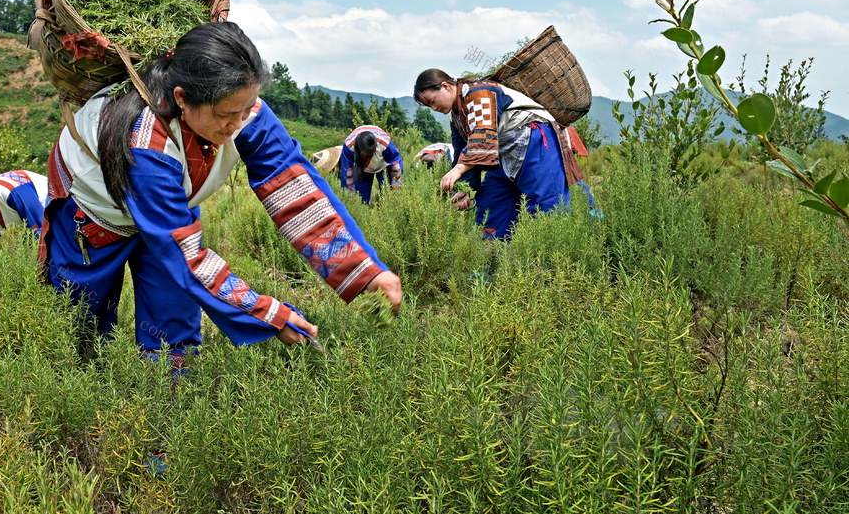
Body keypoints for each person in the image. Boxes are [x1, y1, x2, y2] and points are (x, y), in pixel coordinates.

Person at [39, 22, 402, 366]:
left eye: (246, 109)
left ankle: (167, 401)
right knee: (82, 319)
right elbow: (187, 259)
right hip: (95, 211)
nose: (237, 125)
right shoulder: (146, 144)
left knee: (172, 323)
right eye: (227, 115)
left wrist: (365, 272)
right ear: (182, 99)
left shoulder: (243, 110)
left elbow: (296, 191)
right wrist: (267, 314)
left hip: (170, 209)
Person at [413, 69, 590, 240]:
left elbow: (483, 135)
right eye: (429, 106)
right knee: (489, 210)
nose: (434, 108)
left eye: (432, 101)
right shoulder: (456, 116)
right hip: (502, 157)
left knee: (548, 207)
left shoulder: (478, 92)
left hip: (535, 141)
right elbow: (461, 150)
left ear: (445, 86)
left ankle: (554, 263)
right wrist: (465, 189)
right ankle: (490, 265)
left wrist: (458, 169)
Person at [339, 126, 403, 205]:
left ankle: (388, 210)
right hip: (361, 167)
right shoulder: (349, 146)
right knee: (360, 196)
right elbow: (346, 172)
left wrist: (396, 185)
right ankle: (362, 211)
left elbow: (396, 163)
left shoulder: (384, 143)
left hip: (383, 165)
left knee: (388, 192)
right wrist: (350, 195)